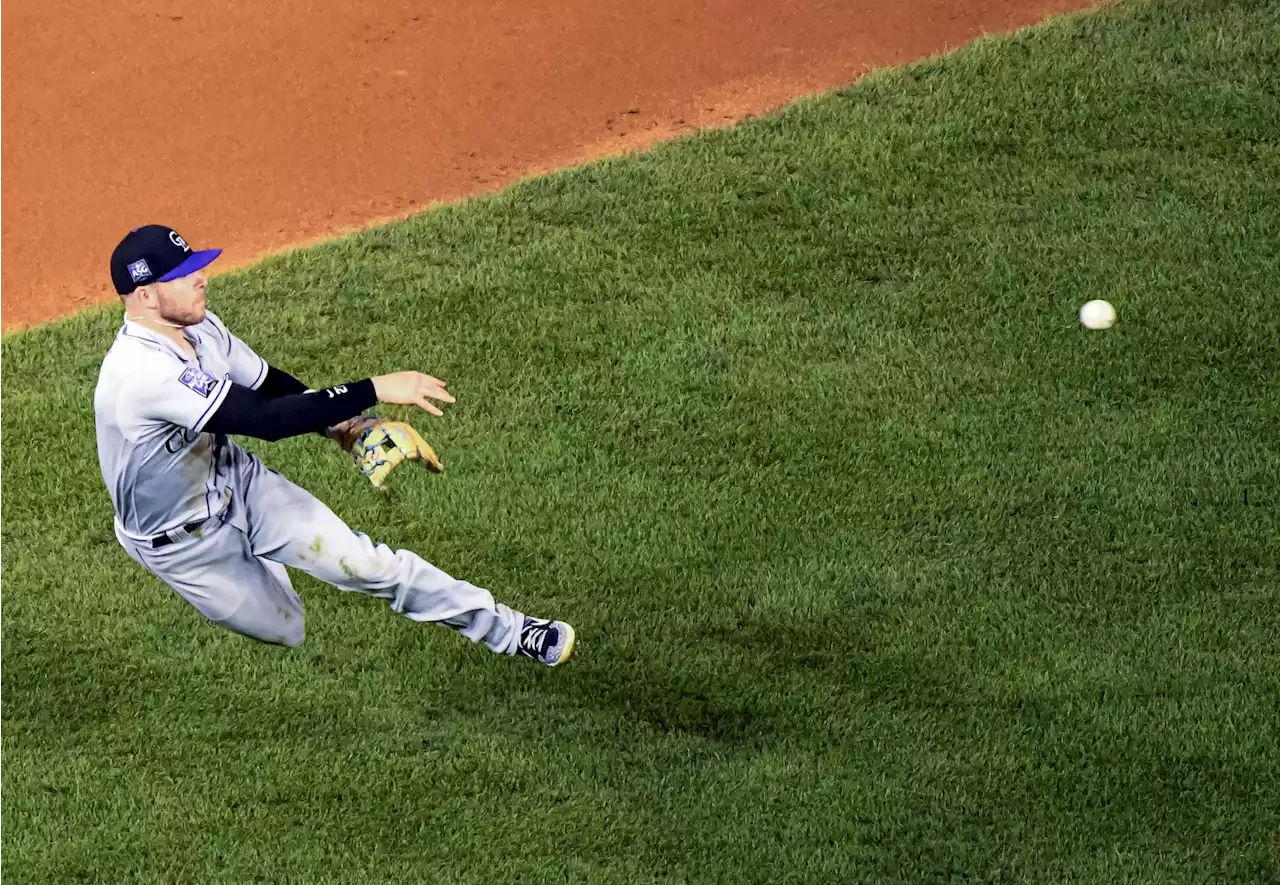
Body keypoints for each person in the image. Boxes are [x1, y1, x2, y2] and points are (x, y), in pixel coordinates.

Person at [93, 224, 575, 665]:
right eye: (183, 274)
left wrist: (345, 424)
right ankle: (255, 555)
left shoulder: (200, 326)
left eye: (196, 265)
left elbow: (267, 385)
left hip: (238, 480)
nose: (201, 277)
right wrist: (374, 386)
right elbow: (264, 421)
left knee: (368, 565)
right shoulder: (141, 373)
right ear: (146, 297)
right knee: (288, 628)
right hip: (181, 541)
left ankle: (512, 630)